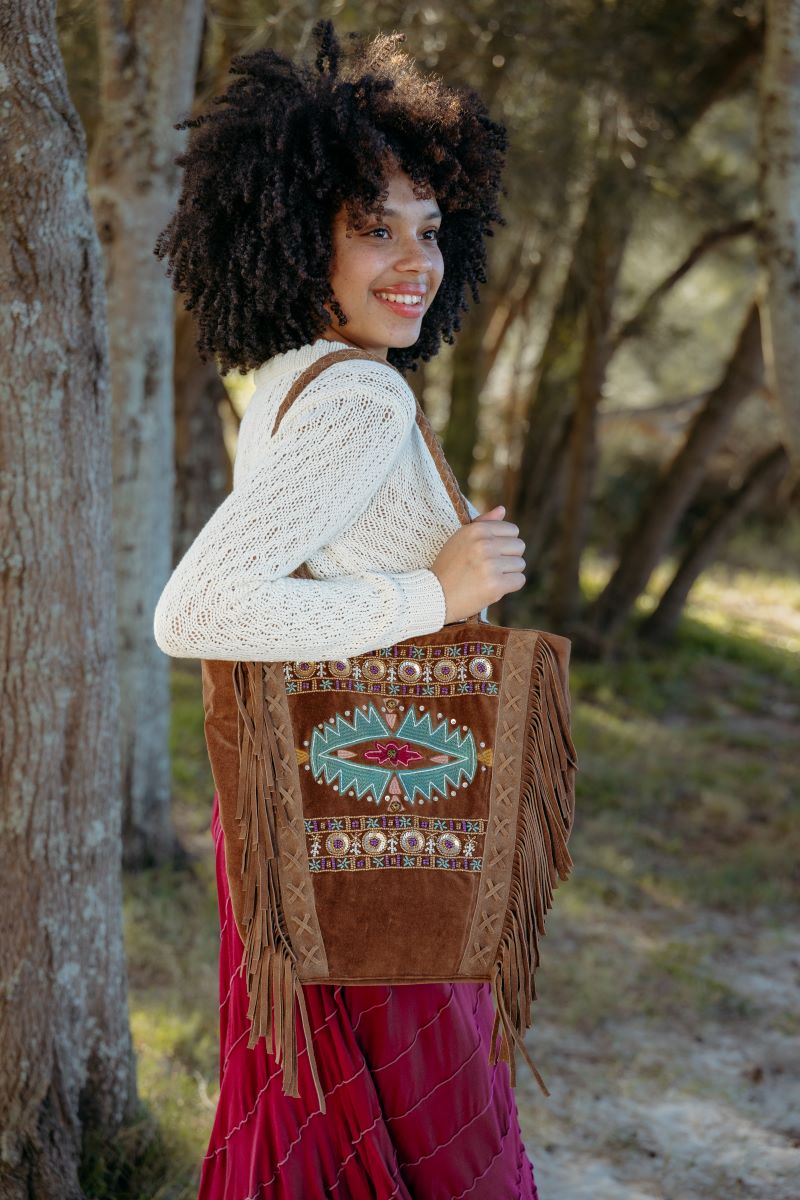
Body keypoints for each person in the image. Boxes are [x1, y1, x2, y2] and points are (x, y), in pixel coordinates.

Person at [153, 20, 535, 1199]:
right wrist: (440, 590)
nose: (414, 260)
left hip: (311, 810)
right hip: (364, 825)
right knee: (426, 1133)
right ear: (294, 233)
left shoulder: (291, 379)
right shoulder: (361, 400)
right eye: (374, 228)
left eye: (429, 228)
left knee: (323, 1124)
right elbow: (197, 608)